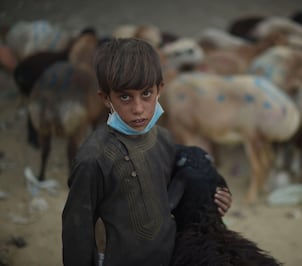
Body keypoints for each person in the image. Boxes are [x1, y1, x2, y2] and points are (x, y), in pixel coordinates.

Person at [61, 38, 232, 266]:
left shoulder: (162, 139)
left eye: (146, 94)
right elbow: (76, 230)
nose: (138, 108)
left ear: (159, 89)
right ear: (105, 98)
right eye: (125, 97)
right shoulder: (93, 159)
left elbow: (172, 192)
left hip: (168, 257)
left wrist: (215, 196)